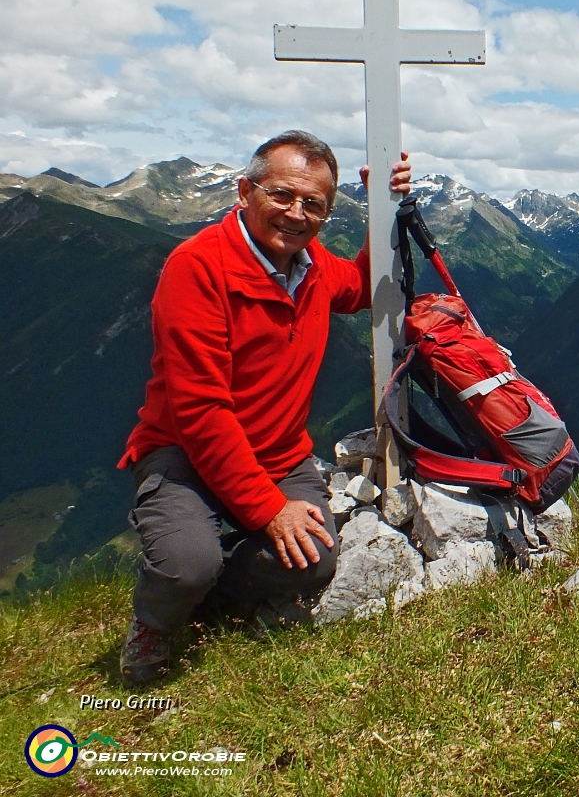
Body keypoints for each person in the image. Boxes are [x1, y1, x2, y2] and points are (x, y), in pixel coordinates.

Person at [116, 130, 411, 686]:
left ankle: (211, 600)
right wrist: (268, 510)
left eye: (314, 204)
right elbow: (200, 410)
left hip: (278, 454)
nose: (296, 213)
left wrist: (382, 208)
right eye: (281, 195)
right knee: (186, 565)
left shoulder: (313, 265)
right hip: (184, 453)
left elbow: (364, 288)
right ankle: (156, 623)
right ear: (244, 191)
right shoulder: (197, 267)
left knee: (315, 558)